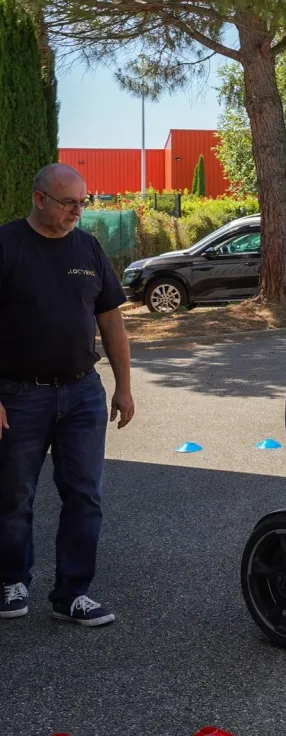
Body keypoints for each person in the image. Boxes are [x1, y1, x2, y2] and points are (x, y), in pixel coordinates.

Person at [0, 164, 135, 626]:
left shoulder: (88, 248)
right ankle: (12, 580)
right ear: (39, 200)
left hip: (82, 394)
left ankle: (73, 593)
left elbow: (111, 320)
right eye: (69, 202)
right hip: (19, 395)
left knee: (85, 496)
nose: (79, 210)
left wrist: (124, 386)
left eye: (84, 201)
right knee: (14, 495)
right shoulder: (7, 244)